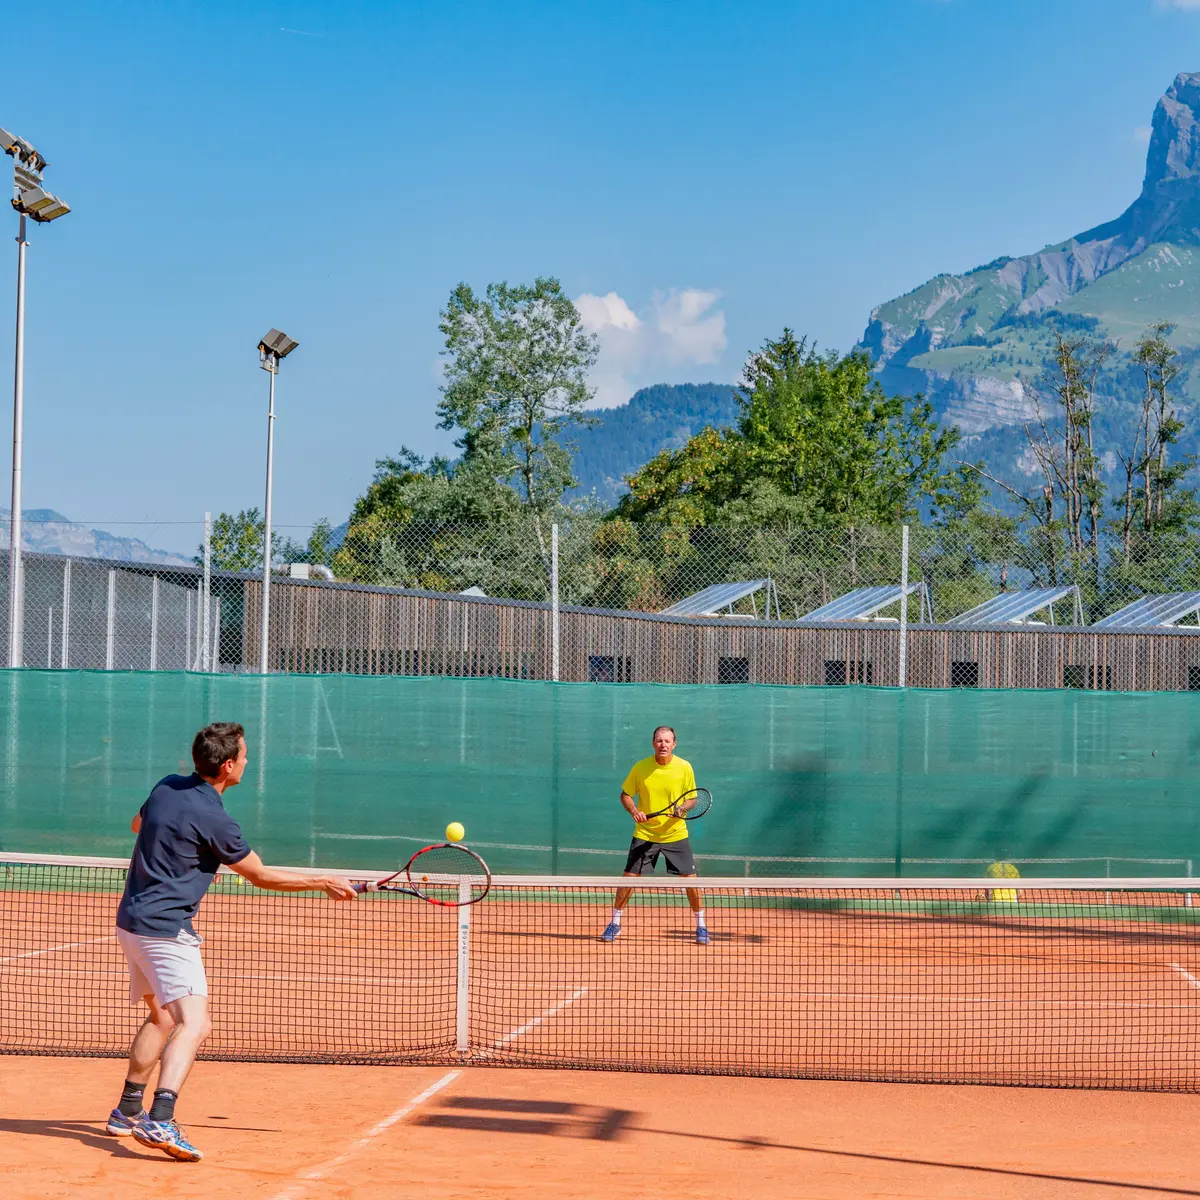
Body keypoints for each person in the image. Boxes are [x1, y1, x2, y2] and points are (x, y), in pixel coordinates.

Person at [106, 721, 357, 1162]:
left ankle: (127, 1110)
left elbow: (135, 824)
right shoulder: (216, 819)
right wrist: (322, 880)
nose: (246, 761)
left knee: (163, 1017)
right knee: (195, 1023)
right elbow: (260, 876)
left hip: (131, 922)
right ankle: (161, 1118)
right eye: (242, 756)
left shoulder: (166, 787)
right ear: (227, 766)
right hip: (166, 930)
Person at [601, 725, 707, 945]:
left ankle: (701, 926)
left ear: (674, 744)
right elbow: (626, 795)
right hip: (645, 833)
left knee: (691, 883)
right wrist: (634, 811)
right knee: (628, 880)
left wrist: (682, 809)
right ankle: (615, 923)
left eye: (667, 741)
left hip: (675, 834)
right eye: (659, 740)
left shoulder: (684, 767)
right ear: (653, 743)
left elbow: (693, 798)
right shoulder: (641, 768)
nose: (663, 745)